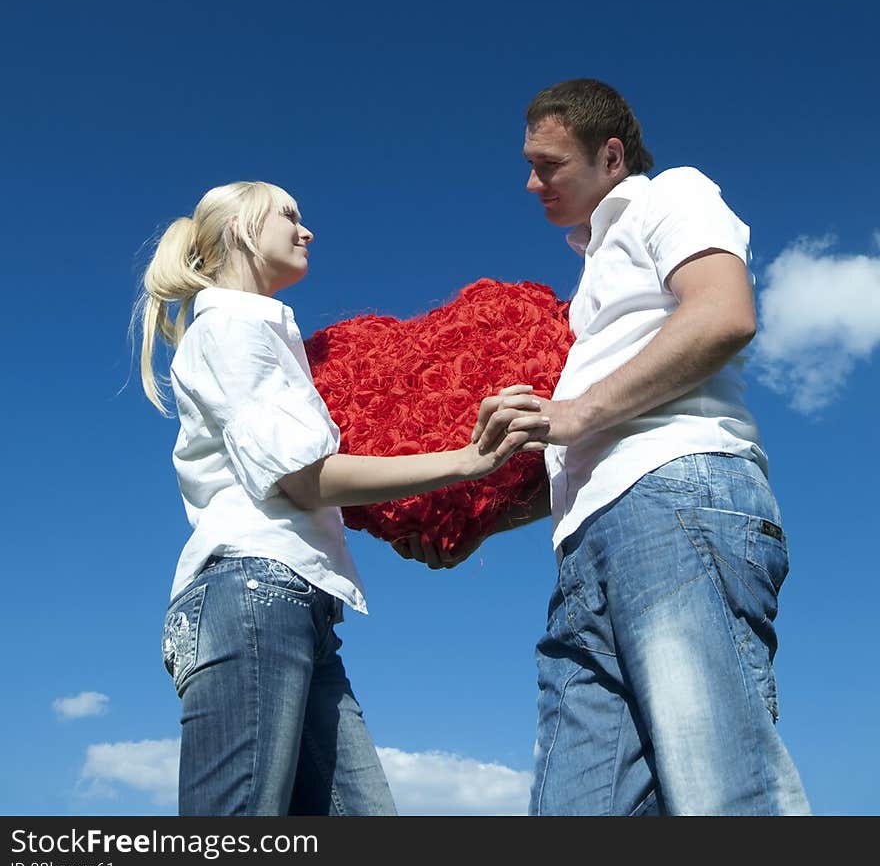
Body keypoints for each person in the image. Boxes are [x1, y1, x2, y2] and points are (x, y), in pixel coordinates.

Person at [395, 78, 811, 817]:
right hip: (585, 545)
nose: (530, 183)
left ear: (610, 154)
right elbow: (583, 443)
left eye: (548, 163)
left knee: (721, 792)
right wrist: (477, 518)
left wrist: (575, 408)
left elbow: (724, 311)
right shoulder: (591, 285)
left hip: (677, 502)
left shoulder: (671, 195)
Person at [134, 179, 548, 817]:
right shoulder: (231, 332)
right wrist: (470, 461)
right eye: (290, 216)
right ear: (244, 228)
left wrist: (454, 524)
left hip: (297, 606)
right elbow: (305, 478)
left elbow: (310, 481)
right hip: (252, 594)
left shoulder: (270, 339)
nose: (307, 231)